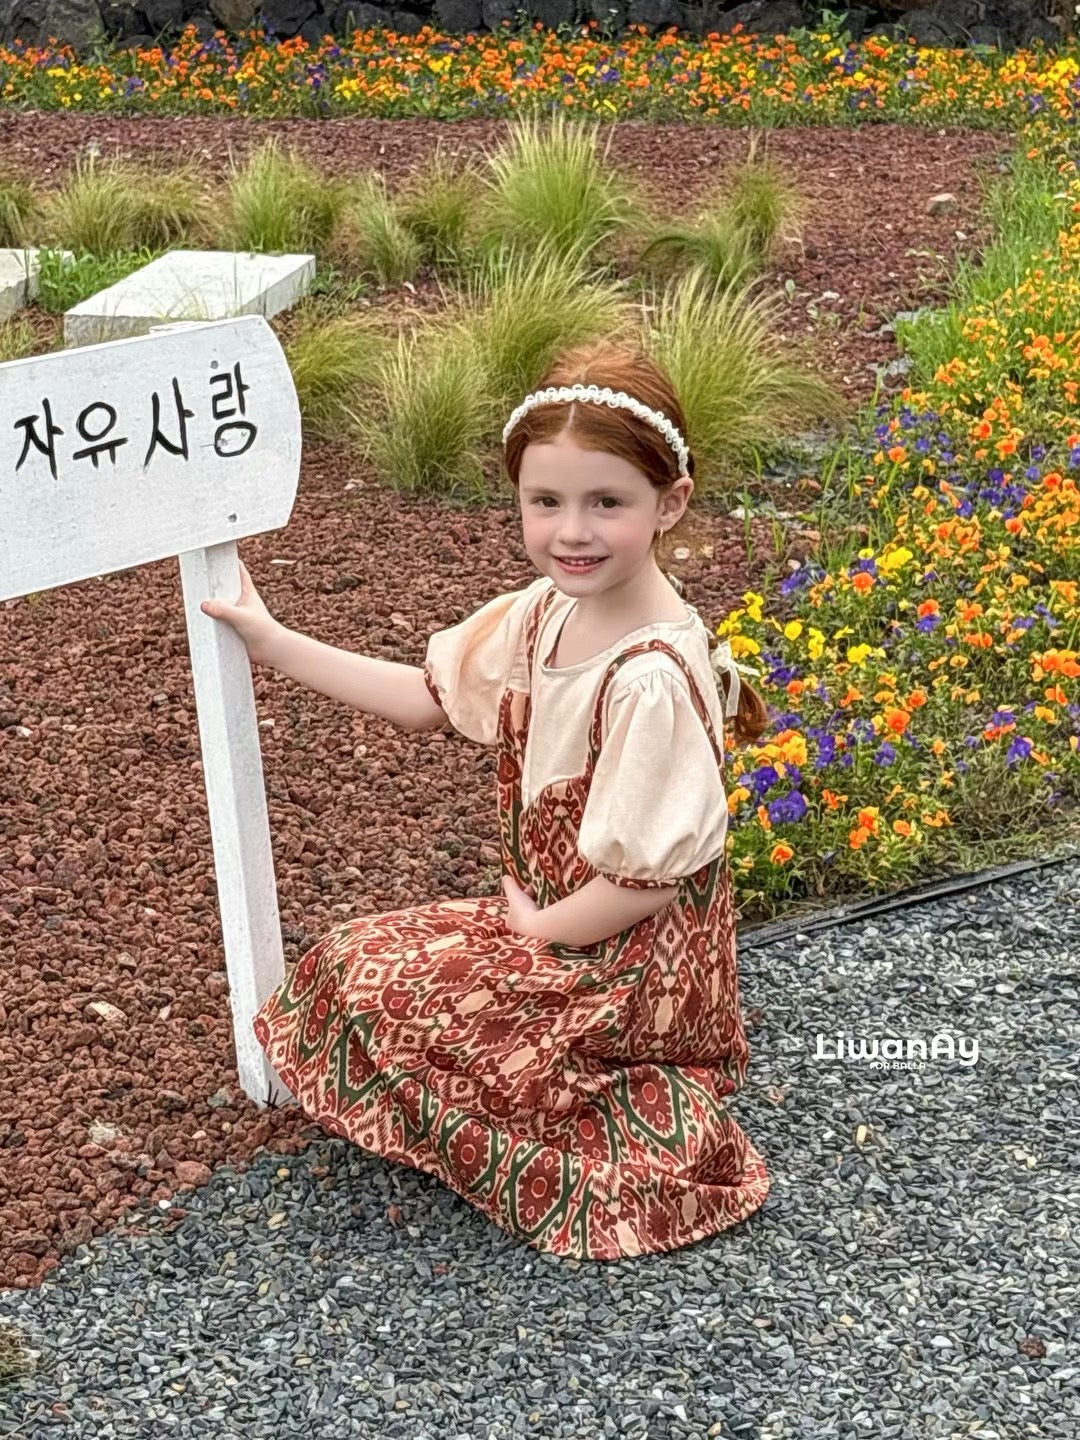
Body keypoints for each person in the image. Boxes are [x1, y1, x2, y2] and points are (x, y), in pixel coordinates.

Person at [200, 338, 772, 1261]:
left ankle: (624, 1094)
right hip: (561, 917)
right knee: (352, 963)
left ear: (670, 504)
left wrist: (535, 931)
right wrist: (273, 644)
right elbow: (426, 699)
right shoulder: (544, 611)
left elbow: (647, 891)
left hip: (626, 964)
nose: (571, 532)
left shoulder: (650, 678)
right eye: (545, 502)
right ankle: (513, 1079)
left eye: (606, 504)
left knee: (398, 1002)